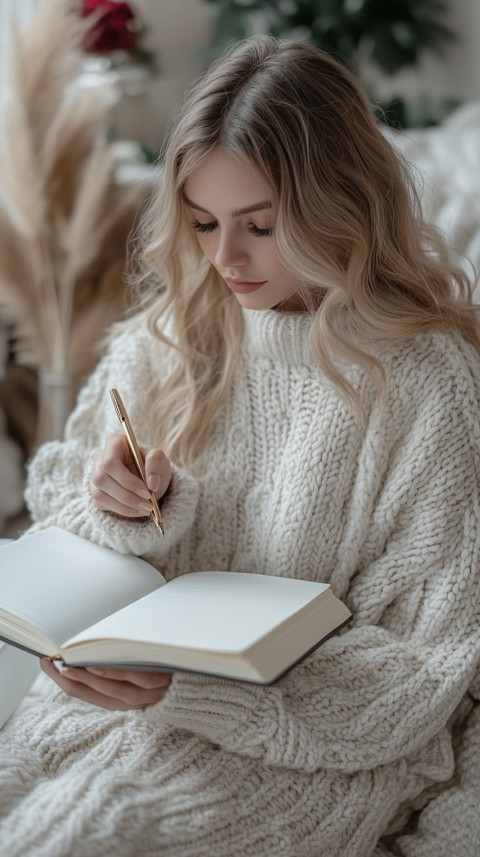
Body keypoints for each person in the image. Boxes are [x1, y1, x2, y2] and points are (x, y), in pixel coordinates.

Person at [0, 34, 479, 857]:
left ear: (342, 203)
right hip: (101, 709)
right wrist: (123, 512)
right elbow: (55, 501)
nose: (225, 258)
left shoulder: (427, 384)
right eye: (202, 223)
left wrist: (191, 693)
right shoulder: (169, 334)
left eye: (259, 224)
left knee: (82, 827)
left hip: (306, 755)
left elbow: (424, 665)